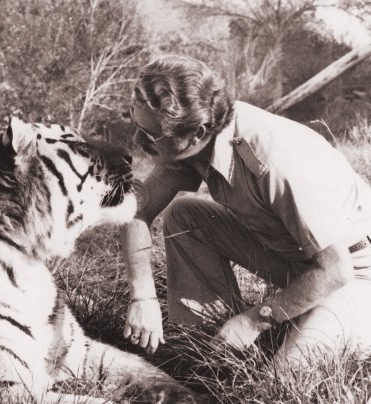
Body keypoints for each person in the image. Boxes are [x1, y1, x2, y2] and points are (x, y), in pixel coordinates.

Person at [121, 54, 371, 367]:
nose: (136, 141)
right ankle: (206, 351)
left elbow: (336, 269)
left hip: (354, 271)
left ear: (196, 135)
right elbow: (137, 209)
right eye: (135, 124)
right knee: (184, 215)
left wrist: (254, 320)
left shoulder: (275, 161)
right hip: (297, 257)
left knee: (283, 387)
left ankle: (261, 331)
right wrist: (142, 296)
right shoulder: (193, 134)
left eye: (149, 135)